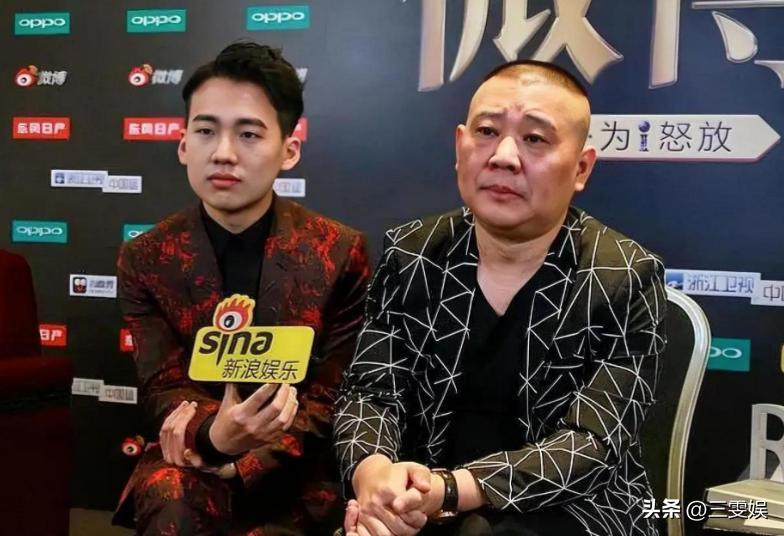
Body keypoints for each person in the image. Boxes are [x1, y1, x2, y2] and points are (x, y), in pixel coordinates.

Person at [335, 60, 667, 536]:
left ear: (581, 168)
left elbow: (594, 441)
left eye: (535, 139)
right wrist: (376, 481)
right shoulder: (411, 254)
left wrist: (453, 489)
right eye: (487, 132)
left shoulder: (624, 275)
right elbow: (370, 393)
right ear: (460, 147)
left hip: (572, 512)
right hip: (419, 503)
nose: (504, 156)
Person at [112, 41, 370, 535]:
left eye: (248, 134)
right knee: (170, 493)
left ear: (289, 151)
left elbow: (333, 396)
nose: (223, 153)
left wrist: (244, 457)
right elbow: (164, 387)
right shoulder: (147, 257)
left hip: (296, 469)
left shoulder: (338, 252)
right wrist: (216, 437)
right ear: (183, 145)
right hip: (191, 458)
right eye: (206, 131)